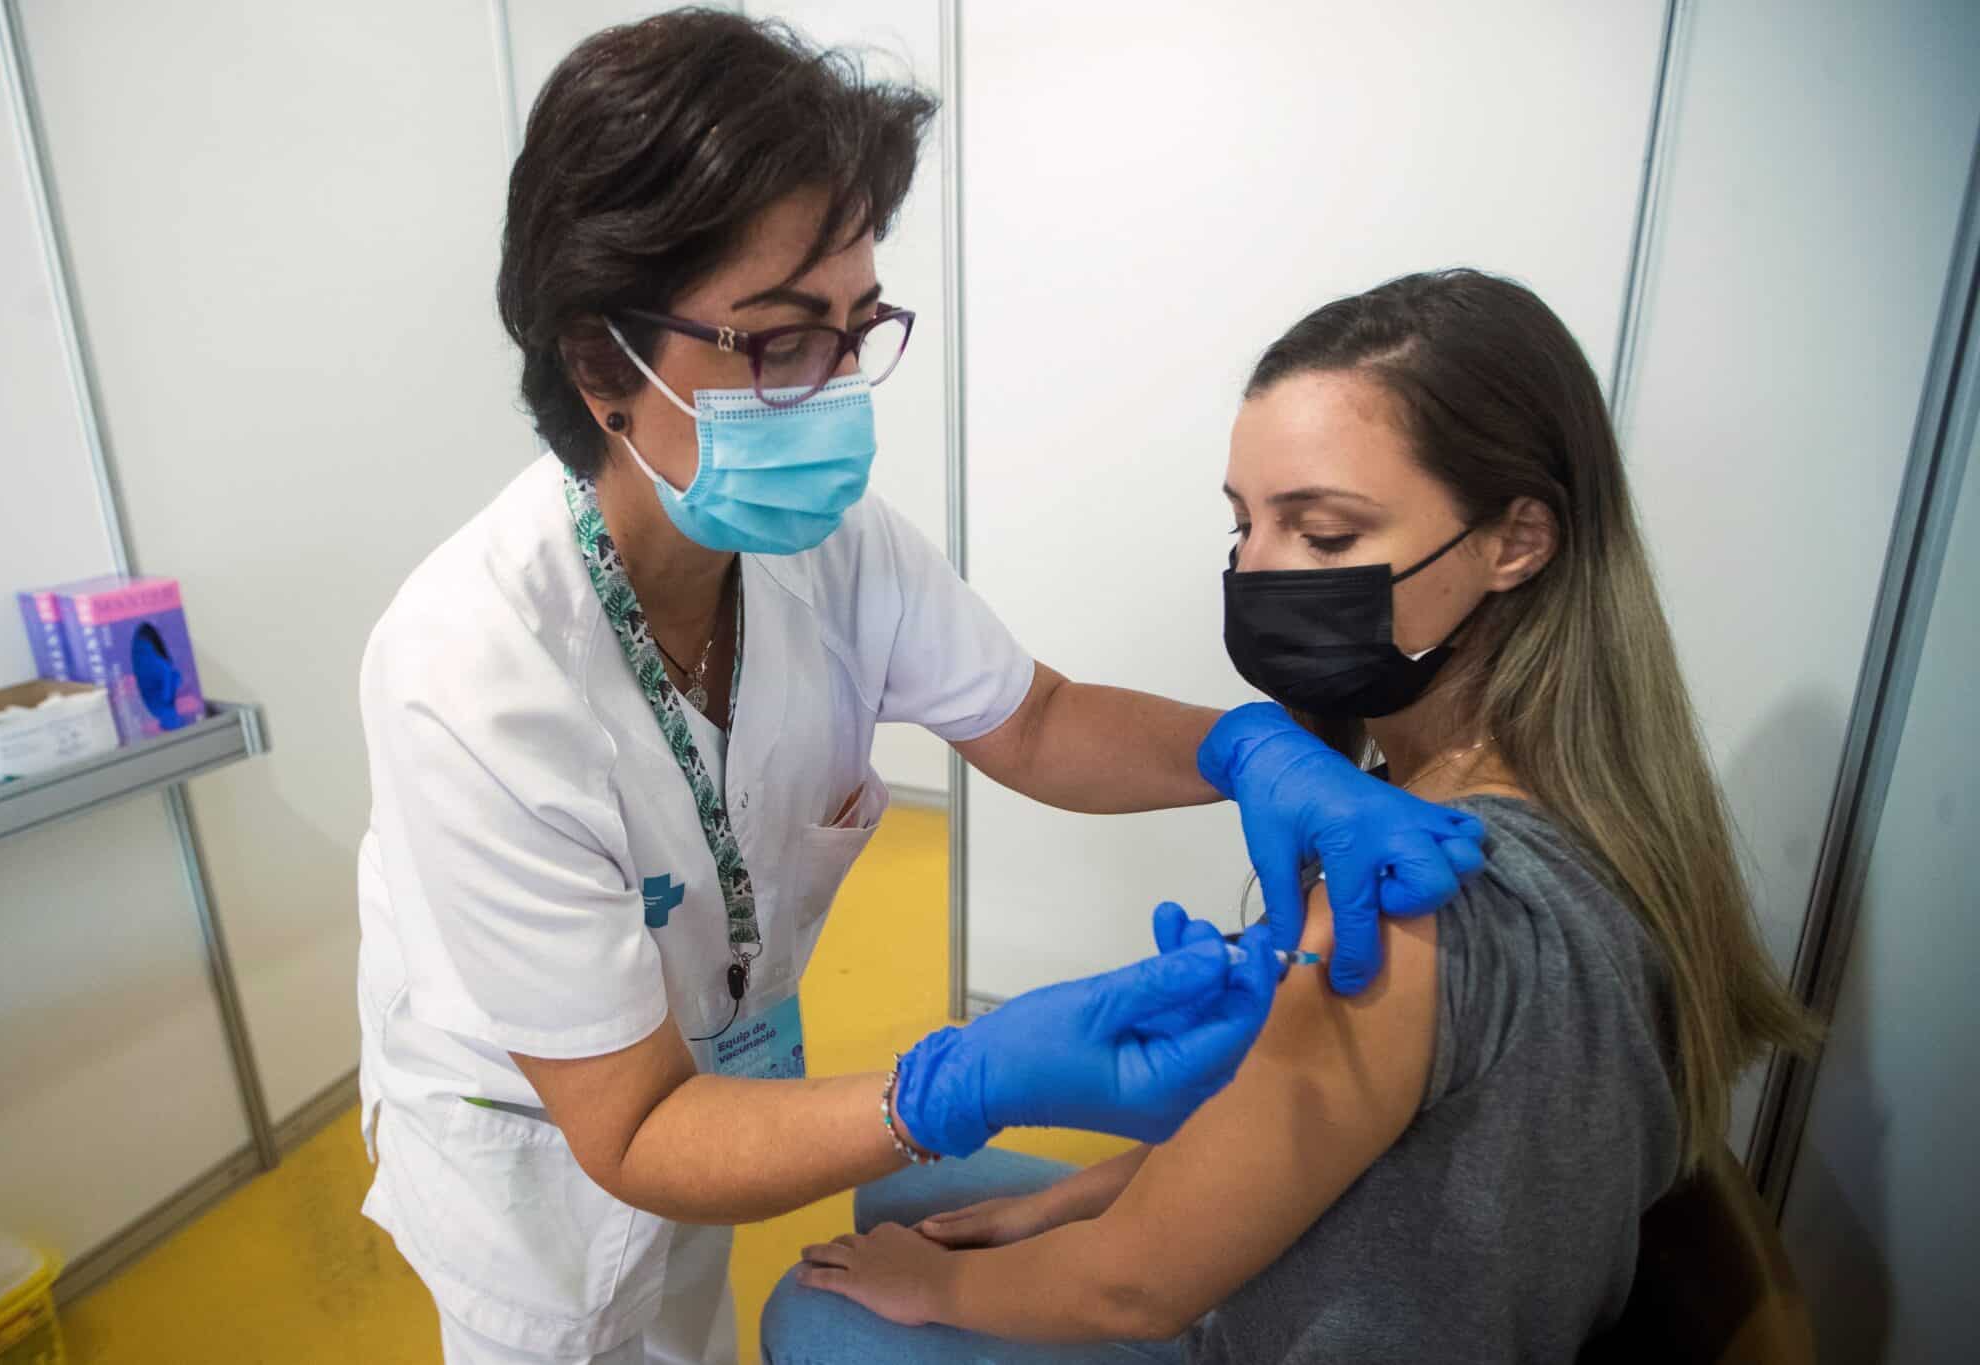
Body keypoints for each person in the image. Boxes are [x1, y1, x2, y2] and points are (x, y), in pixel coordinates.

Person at [354, 15, 1482, 1365]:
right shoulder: (469, 676)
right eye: (779, 342)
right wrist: (961, 1087)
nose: (832, 388)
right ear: (602, 364)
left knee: (695, 1325)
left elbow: (1038, 721)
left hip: (716, 1066)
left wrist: (1247, 750)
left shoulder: (825, 546)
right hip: (532, 1150)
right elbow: (639, 1129)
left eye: (854, 329)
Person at [763, 269, 1819, 1364]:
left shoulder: (1402, 895)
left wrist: (940, 1287)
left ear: (1513, 542)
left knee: (816, 1309)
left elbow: (1132, 1291)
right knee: (905, 1195)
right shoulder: (1598, 813)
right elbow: (1324, 1155)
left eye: (1320, 536)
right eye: (1243, 524)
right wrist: (1060, 1207)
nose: (1258, 573)